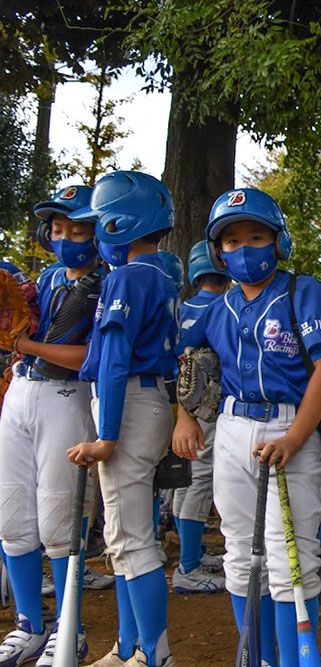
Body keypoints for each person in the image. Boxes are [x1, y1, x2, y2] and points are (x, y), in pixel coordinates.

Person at [171, 188, 321, 667]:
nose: (244, 247)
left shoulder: (302, 292)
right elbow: (186, 361)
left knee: (291, 559)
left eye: (256, 235)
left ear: (277, 241)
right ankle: (258, 657)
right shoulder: (216, 308)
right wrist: (185, 415)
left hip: (290, 428)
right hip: (230, 428)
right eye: (231, 239)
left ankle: (294, 660)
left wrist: (295, 437)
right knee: (240, 555)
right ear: (217, 251)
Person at [66, 171, 182, 667]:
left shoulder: (129, 276)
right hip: (148, 401)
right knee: (132, 535)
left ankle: (153, 656)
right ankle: (130, 646)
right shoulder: (163, 273)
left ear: (120, 223)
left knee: (130, 539)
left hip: (129, 405)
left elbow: (114, 357)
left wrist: (106, 436)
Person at [0, 186, 102, 666]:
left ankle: (69, 631)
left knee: (60, 521)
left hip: (66, 397)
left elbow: (91, 357)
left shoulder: (107, 283)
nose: (65, 237)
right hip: (21, 393)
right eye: (58, 229)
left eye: (77, 228)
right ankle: (29, 626)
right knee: (13, 516)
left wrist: (28, 345)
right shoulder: (44, 279)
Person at [169, 241, 229, 594]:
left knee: (187, 478)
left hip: (180, 402)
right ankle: (188, 566)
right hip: (207, 405)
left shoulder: (182, 307)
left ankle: (192, 554)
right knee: (200, 479)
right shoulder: (223, 307)